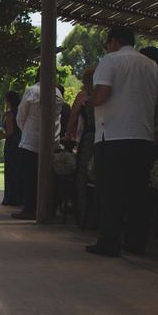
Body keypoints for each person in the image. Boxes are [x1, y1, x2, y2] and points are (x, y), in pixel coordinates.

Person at [87, 26, 158, 257]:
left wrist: (90, 100)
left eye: (107, 43)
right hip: (143, 136)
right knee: (138, 193)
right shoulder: (149, 64)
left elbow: (103, 92)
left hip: (112, 135)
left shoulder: (110, 60)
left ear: (113, 41)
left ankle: (109, 241)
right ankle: (136, 242)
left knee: (110, 192)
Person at [12, 68, 64, 220]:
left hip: (31, 142)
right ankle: (49, 207)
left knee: (29, 178)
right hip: (52, 141)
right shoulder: (58, 93)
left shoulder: (32, 91)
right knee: (49, 178)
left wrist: (27, 131)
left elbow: (21, 116)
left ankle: (30, 208)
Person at [66, 67, 96, 228]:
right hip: (106, 137)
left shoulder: (84, 96)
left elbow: (73, 116)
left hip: (89, 137)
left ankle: (83, 216)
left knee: (82, 176)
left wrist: (67, 134)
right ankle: (96, 217)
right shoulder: (108, 93)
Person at [0, 90, 23, 206]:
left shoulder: (9, 114)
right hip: (21, 144)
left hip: (12, 145)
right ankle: (19, 198)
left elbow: (10, 132)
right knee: (18, 172)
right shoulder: (21, 112)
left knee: (10, 172)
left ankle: (10, 198)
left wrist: (1, 135)